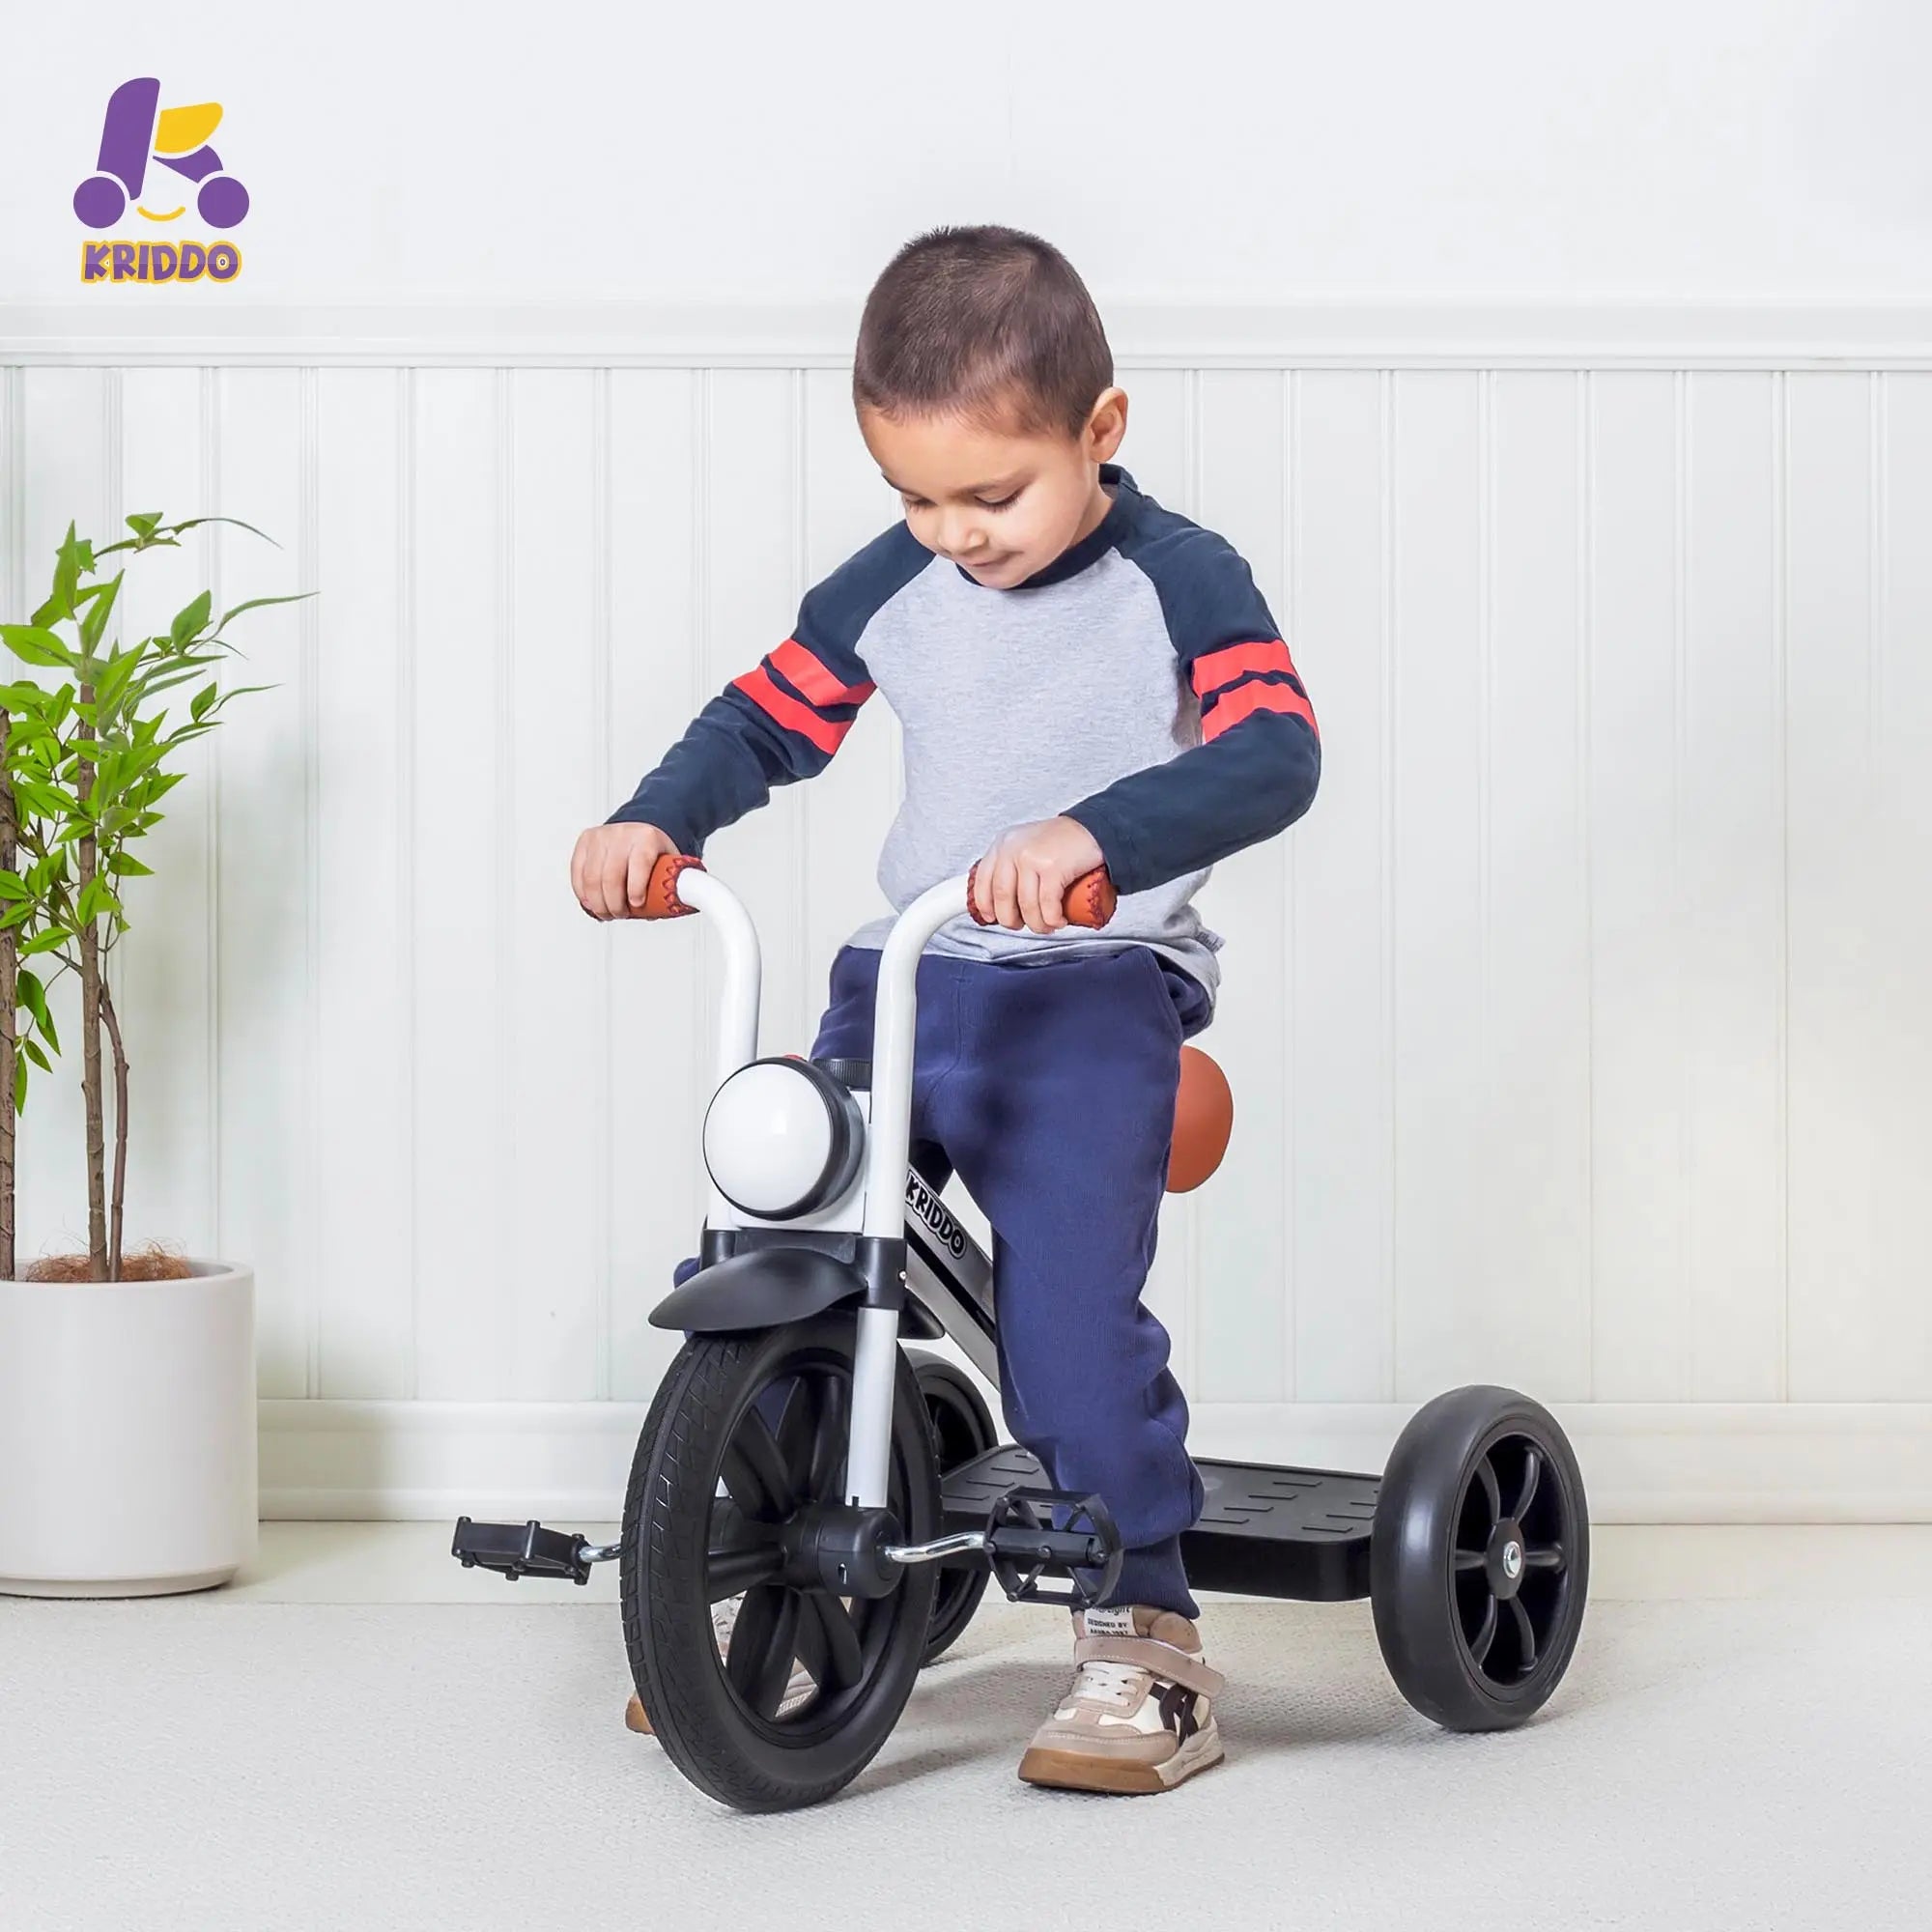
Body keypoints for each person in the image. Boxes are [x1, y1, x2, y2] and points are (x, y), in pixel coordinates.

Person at [571, 223, 1320, 1794]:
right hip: (908, 969)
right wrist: (660, 819)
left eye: (993, 494)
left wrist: (1098, 840)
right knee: (789, 1231)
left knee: (1061, 1320)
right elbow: (766, 716)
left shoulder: (1181, 581)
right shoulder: (896, 579)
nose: (954, 533)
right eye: (915, 495)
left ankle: (1145, 1635)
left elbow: (1274, 754)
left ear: (1099, 433)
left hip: (1091, 990)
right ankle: (770, 1589)